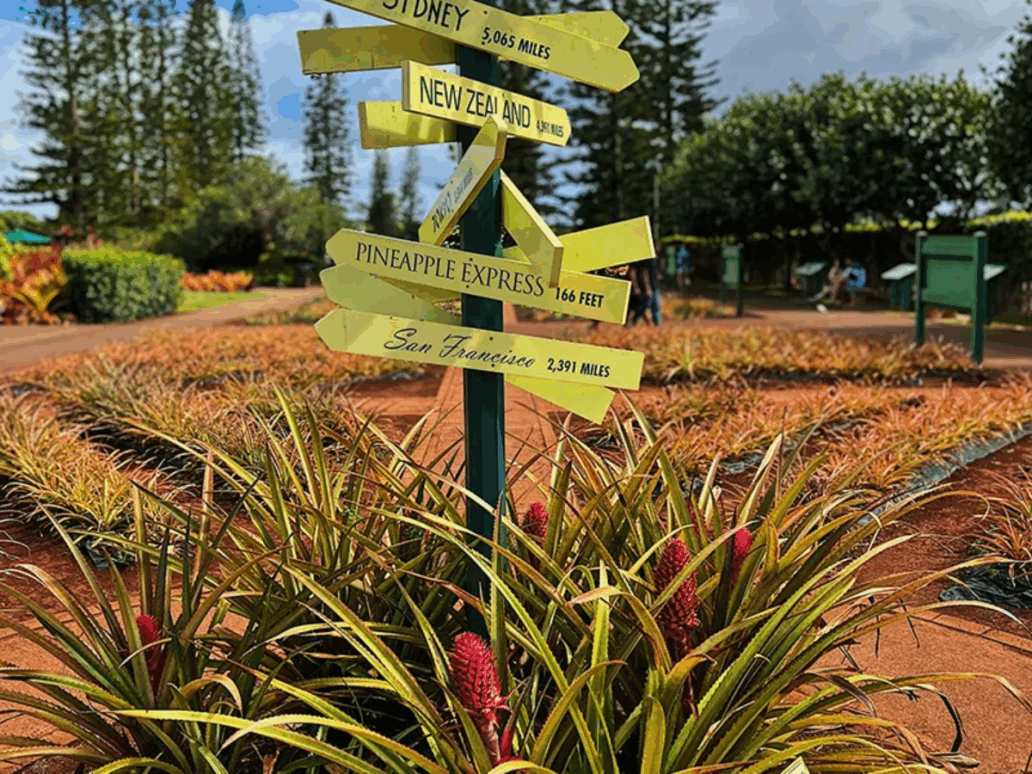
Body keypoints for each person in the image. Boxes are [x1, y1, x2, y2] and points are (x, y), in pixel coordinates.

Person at [629, 256, 661, 326]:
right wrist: (647, 288)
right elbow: (644, 274)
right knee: (644, 307)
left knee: (655, 307)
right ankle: (633, 321)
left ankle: (656, 325)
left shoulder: (654, 258)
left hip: (654, 286)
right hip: (649, 287)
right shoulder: (647, 258)